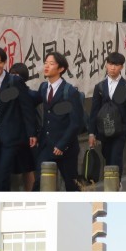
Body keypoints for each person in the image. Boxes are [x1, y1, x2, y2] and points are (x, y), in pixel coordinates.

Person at [0, 46, 38, 191]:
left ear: (4, 62)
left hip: (11, 137)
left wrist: (31, 133)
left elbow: (26, 108)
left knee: (3, 173)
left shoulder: (15, 81)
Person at [32, 51, 84, 191]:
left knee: (71, 186)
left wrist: (62, 145)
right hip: (46, 145)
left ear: (61, 68)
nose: (46, 66)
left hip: (66, 148)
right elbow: (32, 100)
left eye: (51, 63)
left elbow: (75, 123)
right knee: (39, 183)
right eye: (45, 63)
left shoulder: (70, 92)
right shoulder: (44, 87)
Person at [88, 51, 126, 181]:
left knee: (116, 156)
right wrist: (92, 133)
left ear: (121, 67)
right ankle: (111, 182)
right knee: (107, 155)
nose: (112, 68)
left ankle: (115, 183)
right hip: (103, 130)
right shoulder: (100, 87)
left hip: (120, 130)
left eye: (116, 65)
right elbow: (94, 111)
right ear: (106, 65)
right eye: (110, 64)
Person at [8, 63, 37, 191]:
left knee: (27, 169)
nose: (13, 78)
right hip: (8, 137)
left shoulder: (30, 94)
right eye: (11, 75)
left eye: (16, 76)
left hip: (25, 137)